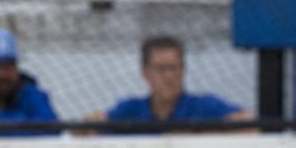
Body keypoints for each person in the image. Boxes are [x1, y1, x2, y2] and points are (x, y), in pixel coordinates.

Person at [82, 36, 252, 128]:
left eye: (173, 68)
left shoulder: (205, 107)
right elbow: (87, 133)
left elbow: (250, 126)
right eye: (160, 69)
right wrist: (90, 125)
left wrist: (194, 137)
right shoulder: (130, 110)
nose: (168, 76)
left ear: (183, 70)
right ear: (145, 73)